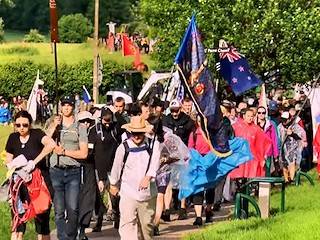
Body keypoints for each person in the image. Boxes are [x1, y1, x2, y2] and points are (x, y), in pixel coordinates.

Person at [5, 110, 55, 240]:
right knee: (18, 220)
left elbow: (51, 145)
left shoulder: (37, 134)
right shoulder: (12, 138)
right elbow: (8, 159)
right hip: (19, 184)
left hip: (38, 184)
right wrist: (12, 166)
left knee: (42, 221)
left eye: (25, 125)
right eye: (18, 125)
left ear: (30, 124)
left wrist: (34, 162)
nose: (21, 128)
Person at [109, 116, 160, 240]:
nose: (137, 136)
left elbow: (155, 163)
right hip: (128, 192)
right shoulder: (123, 148)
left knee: (146, 227)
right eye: (134, 133)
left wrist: (148, 177)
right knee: (127, 225)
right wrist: (113, 184)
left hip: (148, 193)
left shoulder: (153, 145)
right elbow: (117, 166)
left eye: (140, 133)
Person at [47, 96, 88, 240]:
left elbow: (84, 153)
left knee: (73, 208)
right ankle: (62, 237)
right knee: (58, 210)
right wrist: (53, 126)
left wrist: (64, 152)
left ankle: (71, 236)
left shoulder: (80, 127)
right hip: (56, 171)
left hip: (73, 172)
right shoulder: (53, 124)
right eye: (63, 105)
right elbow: (44, 141)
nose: (66, 108)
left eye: (69, 105)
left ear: (73, 107)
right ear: (60, 107)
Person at [88, 106, 126, 232]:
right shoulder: (94, 130)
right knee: (98, 196)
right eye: (105, 120)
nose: (107, 123)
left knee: (115, 195)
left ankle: (117, 217)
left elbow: (126, 125)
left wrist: (116, 113)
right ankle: (98, 222)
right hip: (99, 167)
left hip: (114, 166)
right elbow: (90, 150)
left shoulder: (116, 127)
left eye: (109, 120)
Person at [162, 99, 195, 220]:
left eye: (176, 111)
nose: (174, 113)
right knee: (169, 183)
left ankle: (182, 208)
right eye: (172, 111)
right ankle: (166, 209)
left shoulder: (187, 121)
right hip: (169, 155)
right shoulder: (165, 120)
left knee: (183, 182)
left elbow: (192, 136)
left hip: (183, 154)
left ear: (180, 109)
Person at [229, 108, 272, 179]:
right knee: (237, 177)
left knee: (251, 177)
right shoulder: (235, 126)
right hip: (238, 156)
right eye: (248, 116)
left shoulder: (256, 129)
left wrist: (262, 157)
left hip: (252, 157)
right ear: (244, 116)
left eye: (252, 116)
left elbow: (263, 142)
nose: (250, 118)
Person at [76, 111, 95, 240]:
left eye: (88, 121)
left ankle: (82, 230)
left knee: (88, 199)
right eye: (83, 121)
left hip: (89, 169)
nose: (86, 124)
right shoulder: (72, 134)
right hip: (74, 168)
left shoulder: (94, 134)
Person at [278, 111, 306, 183]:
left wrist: (292, 134)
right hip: (282, 149)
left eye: (285, 120)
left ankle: (292, 179)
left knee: (291, 162)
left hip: (293, 148)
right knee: (284, 163)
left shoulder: (295, 126)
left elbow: (301, 136)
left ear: (289, 119)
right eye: (282, 120)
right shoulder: (280, 126)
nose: (284, 122)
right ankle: (286, 180)